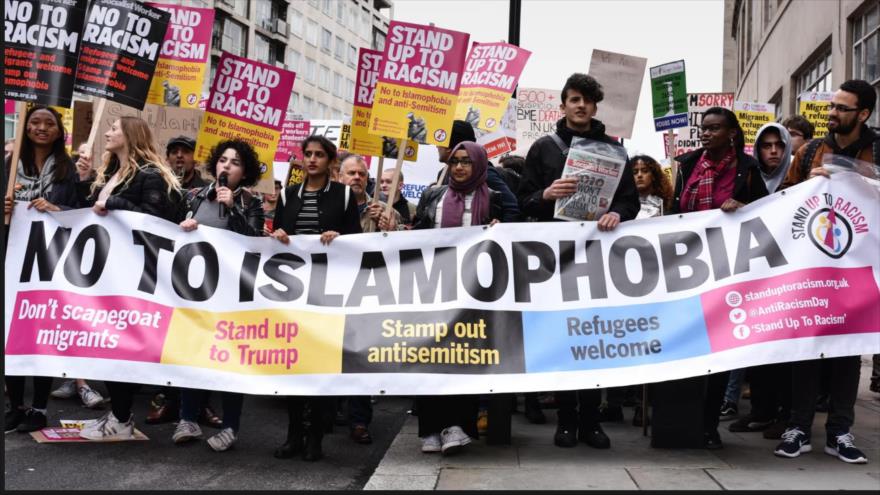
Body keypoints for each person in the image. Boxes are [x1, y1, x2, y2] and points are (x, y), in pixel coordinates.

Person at [517, 73, 640, 450]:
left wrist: (617, 214)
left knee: (594, 341)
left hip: (597, 257)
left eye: (587, 100)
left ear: (595, 106)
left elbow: (630, 200)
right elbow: (521, 203)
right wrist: (545, 193)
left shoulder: (615, 150)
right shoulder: (543, 149)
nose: (581, 105)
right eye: (574, 99)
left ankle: (591, 422)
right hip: (556, 258)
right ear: (564, 104)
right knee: (562, 340)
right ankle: (566, 421)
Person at [775, 80, 877, 464]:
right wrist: (806, 184)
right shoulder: (812, 150)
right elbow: (781, 201)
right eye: (832, 106)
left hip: (859, 273)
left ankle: (840, 432)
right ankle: (798, 427)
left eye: (842, 108)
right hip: (813, 269)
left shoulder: (877, 149)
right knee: (807, 347)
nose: (832, 114)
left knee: (848, 352)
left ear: (863, 114)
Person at [668, 106, 769, 449]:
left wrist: (742, 206)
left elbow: (765, 214)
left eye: (714, 128)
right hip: (687, 269)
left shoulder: (748, 169)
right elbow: (674, 212)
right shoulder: (686, 166)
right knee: (688, 348)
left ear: (731, 133)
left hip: (728, 272)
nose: (707, 133)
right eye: (704, 128)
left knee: (718, 352)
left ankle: (709, 425)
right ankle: (683, 422)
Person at [78, 116, 182, 440]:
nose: (108, 133)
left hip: (133, 276)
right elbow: (94, 210)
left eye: (114, 129)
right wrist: (85, 181)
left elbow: (154, 220)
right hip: (109, 273)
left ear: (130, 136)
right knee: (108, 345)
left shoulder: (149, 176)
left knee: (120, 347)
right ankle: (118, 415)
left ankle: (122, 419)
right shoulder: (112, 172)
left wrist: (114, 202)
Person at [270, 135, 361, 461]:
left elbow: (357, 242)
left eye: (319, 155)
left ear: (330, 161)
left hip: (328, 294)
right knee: (294, 365)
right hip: (293, 293)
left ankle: (316, 438)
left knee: (320, 366)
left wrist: (340, 238)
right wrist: (278, 235)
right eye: (307, 154)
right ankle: (294, 434)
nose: (311, 160)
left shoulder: (344, 194)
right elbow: (278, 236)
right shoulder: (288, 194)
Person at [171, 139, 264, 451]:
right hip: (197, 290)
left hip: (232, 294)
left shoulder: (251, 202)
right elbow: (168, 232)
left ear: (245, 171)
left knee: (229, 358)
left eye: (235, 162)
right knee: (192, 352)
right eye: (223, 160)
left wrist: (232, 207)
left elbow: (253, 241)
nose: (226, 166)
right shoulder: (195, 196)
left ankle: (230, 426)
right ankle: (187, 418)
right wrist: (183, 227)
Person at [411, 141, 503, 454]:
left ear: (478, 165)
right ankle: (430, 430)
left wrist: (501, 228)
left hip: (471, 292)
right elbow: (417, 234)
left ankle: (457, 426)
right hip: (433, 288)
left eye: (466, 161)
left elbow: (520, 229)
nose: (460, 167)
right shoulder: (433, 195)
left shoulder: (494, 198)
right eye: (455, 161)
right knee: (429, 356)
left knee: (463, 356)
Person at [4, 105, 81, 433]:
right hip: (11, 259)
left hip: (48, 262)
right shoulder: (9, 166)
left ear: (58, 131)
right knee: (11, 334)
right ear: (25, 127)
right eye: (34, 122)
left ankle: (38, 407)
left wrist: (56, 207)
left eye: (48, 123)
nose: (40, 128)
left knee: (40, 333)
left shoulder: (68, 169)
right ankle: (16, 405)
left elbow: (80, 212)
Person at [437, 120, 520, 222]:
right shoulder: (442, 175)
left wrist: (497, 231)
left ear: (448, 147)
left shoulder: (484, 174)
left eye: (440, 140)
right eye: (454, 162)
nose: (437, 146)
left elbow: (511, 208)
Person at [630, 154, 673, 218]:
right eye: (634, 172)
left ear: (653, 175)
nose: (639, 175)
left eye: (645, 171)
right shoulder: (624, 206)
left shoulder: (668, 203)